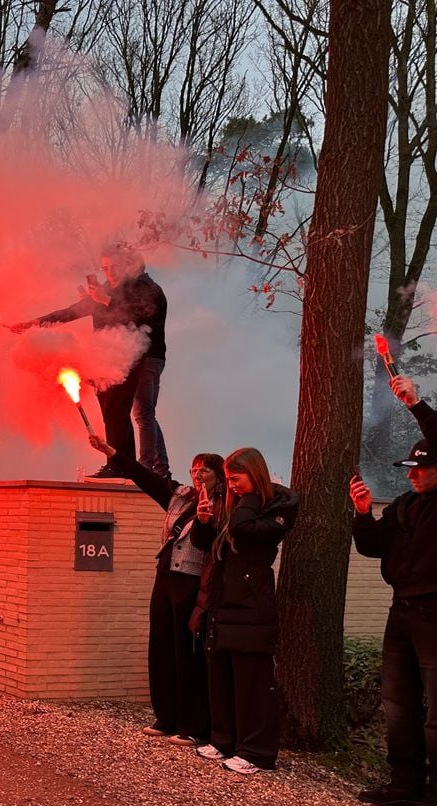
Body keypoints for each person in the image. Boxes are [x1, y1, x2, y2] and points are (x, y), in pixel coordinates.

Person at [89, 434, 223, 744]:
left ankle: (193, 725)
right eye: (194, 469)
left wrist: (206, 518)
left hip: (192, 584)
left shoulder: (224, 505)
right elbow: (145, 477)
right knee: (161, 648)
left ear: (219, 475)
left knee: (187, 654)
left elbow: (208, 545)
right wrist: (113, 452)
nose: (198, 474)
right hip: (165, 579)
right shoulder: (179, 496)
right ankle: (166, 718)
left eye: (205, 469)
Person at [351, 374, 437, 806]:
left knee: (435, 708)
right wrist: (363, 514)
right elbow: (371, 546)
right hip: (400, 609)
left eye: (423, 467)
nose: (415, 473)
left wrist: (416, 404)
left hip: (434, 611)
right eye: (411, 468)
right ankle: (404, 783)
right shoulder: (403, 505)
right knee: (399, 701)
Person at [189, 448, 298, 775]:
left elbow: (245, 530)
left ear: (255, 475)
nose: (232, 485)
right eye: (230, 479)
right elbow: (205, 543)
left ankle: (257, 751)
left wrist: (247, 497)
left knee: (251, 681)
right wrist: (204, 522)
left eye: (237, 479)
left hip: (252, 604)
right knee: (222, 676)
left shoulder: (276, 508)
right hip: (224, 601)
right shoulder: (231, 506)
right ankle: (225, 740)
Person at [20, 243, 169, 478]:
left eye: (114, 267)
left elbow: (142, 314)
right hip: (108, 359)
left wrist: (105, 301)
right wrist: (32, 324)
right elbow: (70, 312)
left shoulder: (144, 288)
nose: (109, 273)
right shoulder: (108, 290)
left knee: (136, 412)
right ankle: (123, 463)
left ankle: (146, 468)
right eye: (105, 268)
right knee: (118, 411)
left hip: (139, 358)